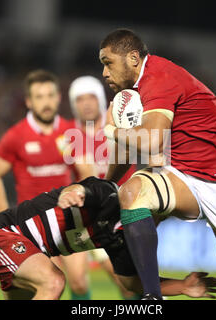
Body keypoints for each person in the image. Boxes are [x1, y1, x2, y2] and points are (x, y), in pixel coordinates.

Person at [99, 29, 216, 300]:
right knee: (131, 194)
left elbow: (152, 141)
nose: (104, 72)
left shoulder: (159, 77)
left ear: (133, 58)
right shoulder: (130, 94)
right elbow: (131, 146)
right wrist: (107, 185)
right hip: (183, 176)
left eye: (108, 62)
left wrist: (109, 130)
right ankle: (152, 298)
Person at [0, 176, 216, 299]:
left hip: (32, 252)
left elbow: (133, 285)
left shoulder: (123, 241)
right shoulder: (109, 194)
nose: (158, 220)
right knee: (54, 282)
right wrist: (72, 193)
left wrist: (183, 286)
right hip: (2, 235)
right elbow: (83, 189)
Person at [0, 69, 94, 300]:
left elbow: (87, 173)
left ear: (58, 98)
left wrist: (85, 206)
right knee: (33, 289)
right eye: (39, 97)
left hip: (67, 222)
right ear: (28, 101)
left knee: (79, 282)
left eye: (50, 95)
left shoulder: (70, 133)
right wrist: (5, 216)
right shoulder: (16, 136)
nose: (46, 102)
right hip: (32, 227)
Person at [68, 75, 138, 299]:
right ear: (72, 104)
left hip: (116, 214)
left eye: (91, 97)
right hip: (79, 218)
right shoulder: (66, 134)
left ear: (100, 99)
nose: (86, 103)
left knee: (125, 282)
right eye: (80, 99)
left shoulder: (117, 130)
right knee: (77, 281)